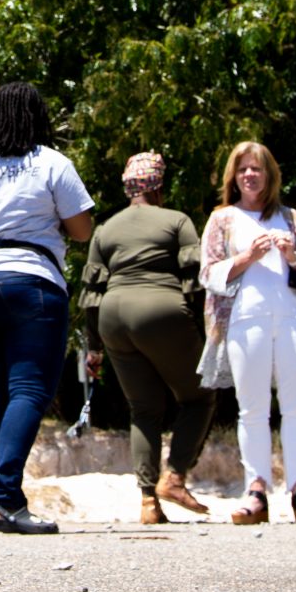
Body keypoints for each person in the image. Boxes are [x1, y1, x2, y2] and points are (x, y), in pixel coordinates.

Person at [0, 83, 95, 534]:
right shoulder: (52, 163)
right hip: (33, 280)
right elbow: (83, 230)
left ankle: (6, 503)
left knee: (9, 396)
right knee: (31, 390)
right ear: (36, 118)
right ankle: (5, 495)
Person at [197, 141, 296, 525]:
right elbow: (208, 273)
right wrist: (246, 258)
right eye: (242, 169)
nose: (250, 175)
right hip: (245, 319)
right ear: (233, 177)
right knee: (252, 408)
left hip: (293, 318)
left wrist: (293, 257)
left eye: (256, 169)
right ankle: (256, 491)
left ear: (270, 175)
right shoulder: (222, 219)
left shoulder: (292, 218)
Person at [81, 152, 211, 524]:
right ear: (158, 185)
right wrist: (203, 331)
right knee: (199, 397)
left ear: (128, 187)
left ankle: (148, 502)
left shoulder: (105, 229)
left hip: (113, 318)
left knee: (144, 409)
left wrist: (93, 348)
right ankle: (176, 477)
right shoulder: (177, 220)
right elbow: (195, 277)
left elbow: (91, 291)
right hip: (162, 311)